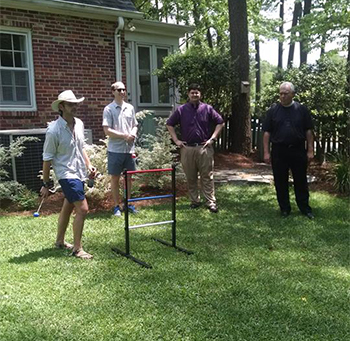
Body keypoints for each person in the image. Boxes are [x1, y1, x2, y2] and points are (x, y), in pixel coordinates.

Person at [41, 90, 96, 259]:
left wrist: (89, 165)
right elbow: (47, 159)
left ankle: (59, 241)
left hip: (79, 171)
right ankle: (77, 249)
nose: (75, 107)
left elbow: (81, 147)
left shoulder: (79, 123)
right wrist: (45, 184)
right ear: (62, 106)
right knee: (83, 208)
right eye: (71, 104)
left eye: (75, 104)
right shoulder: (53, 130)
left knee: (68, 205)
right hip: (66, 174)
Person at [166, 83, 224, 213]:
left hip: (204, 148)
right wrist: (176, 140)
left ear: (200, 94)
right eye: (192, 92)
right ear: (188, 94)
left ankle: (210, 202)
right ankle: (194, 201)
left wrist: (212, 138)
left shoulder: (207, 109)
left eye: (197, 92)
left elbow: (220, 122)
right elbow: (170, 124)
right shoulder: (181, 110)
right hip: (187, 149)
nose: (194, 94)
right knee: (190, 177)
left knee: (207, 176)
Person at [263, 82, 315, 219]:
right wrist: (266, 152)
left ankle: (305, 208)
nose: (283, 96)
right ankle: (284, 208)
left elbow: (308, 131)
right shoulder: (273, 110)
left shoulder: (301, 110)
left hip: (298, 150)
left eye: (285, 93)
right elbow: (267, 133)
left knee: (301, 180)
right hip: (279, 151)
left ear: (293, 94)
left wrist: (310, 150)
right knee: (280, 181)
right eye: (280, 93)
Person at [102, 81, 138, 217]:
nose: (122, 92)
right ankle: (117, 206)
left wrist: (133, 133)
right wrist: (124, 135)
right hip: (115, 150)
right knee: (115, 178)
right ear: (113, 92)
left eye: (124, 90)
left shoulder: (130, 108)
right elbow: (107, 130)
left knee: (129, 178)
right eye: (119, 90)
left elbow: (135, 124)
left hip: (129, 150)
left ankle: (128, 204)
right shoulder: (108, 109)